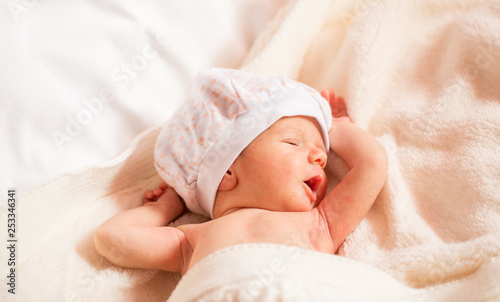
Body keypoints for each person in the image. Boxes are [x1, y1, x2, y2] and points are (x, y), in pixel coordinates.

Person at [93, 68, 388, 277]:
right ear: (226, 174)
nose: (320, 157)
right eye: (293, 142)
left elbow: (372, 165)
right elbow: (111, 238)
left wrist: (339, 128)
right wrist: (165, 208)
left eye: (322, 152)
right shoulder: (189, 242)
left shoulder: (321, 224)